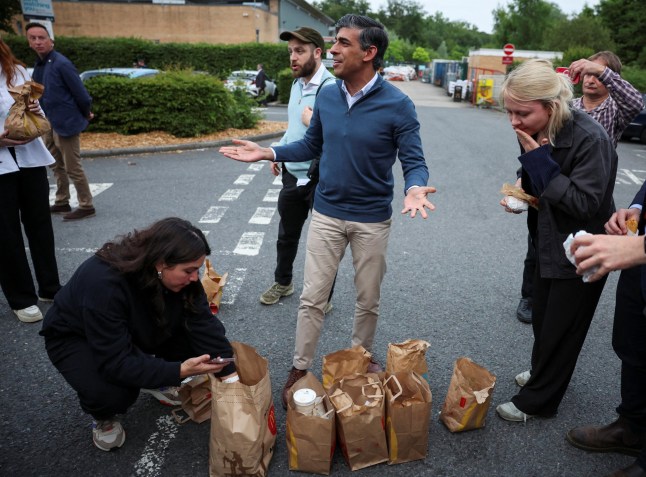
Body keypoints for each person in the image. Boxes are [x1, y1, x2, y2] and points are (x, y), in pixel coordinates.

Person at [220, 14, 436, 409]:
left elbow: (413, 159)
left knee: (367, 298)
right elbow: (310, 144)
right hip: (327, 212)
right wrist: (268, 151)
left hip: (372, 219)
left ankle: (359, 358)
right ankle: (300, 367)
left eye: (342, 44)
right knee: (311, 298)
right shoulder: (329, 95)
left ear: (369, 53)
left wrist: (416, 187)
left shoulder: (398, 104)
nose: (332, 50)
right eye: (333, 43)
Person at [40, 217, 237, 451]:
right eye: (189, 271)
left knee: (198, 346)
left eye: (197, 269)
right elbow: (115, 361)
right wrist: (178, 371)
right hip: (77, 337)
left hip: (128, 328)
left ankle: (153, 378)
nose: (196, 278)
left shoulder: (181, 277)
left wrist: (230, 375)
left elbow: (203, 323)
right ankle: (103, 416)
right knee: (114, 394)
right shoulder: (104, 284)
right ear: (161, 263)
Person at [496, 59, 618, 422]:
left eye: (522, 113)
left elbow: (584, 203)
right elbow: (535, 173)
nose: (514, 122)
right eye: (509, 112)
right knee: (544, 318)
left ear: (550, 107)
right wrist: (522, 188)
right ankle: (541, 375)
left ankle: (539, 402)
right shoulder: (540, 124)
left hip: (583, 246)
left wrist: (539, 162)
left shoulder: (591, 138)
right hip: (547, 238)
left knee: (563, 329)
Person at [514, 51, 643, 324]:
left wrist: (599, 68)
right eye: (587, 74)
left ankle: (565, 315)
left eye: (598, 75)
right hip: (550, 184)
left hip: (586, 186)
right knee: (537, 246)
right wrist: (521, 177)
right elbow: (539, 147)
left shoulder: (615, 111)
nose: (591, 80)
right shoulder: (567, 106)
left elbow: (635, 99)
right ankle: (531, 296)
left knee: (573, 255)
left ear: (610, 79)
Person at [566, 182, 646, 477]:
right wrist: (638, 208)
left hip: (640, 249)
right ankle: (631, 427)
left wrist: (640, 247)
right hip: (639, 256)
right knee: (632, 339)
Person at [259, 27, 336, 308]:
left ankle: (322, 298)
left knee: (325, 244)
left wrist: (312, 121)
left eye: (300, 51)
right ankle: (284, 282)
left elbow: (342, 136)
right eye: (291, 51)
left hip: (322, 178)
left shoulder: (333, 89)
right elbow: (293, 128)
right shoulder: (296, 84)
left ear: (318, 53)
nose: (293, 57)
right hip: (293, 173)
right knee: (286, 235)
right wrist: (279, 151)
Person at [0, 37, 61, 323]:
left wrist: (36, 110)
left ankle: (50, 287)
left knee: (40, 224)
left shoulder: (18, 71)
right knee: (6, 233)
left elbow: (38, 111)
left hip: (29, 157)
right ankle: (21, 297)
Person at [26, 22, 96, 221]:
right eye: (33, 38)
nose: (38, 42)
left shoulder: (61, 63)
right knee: (55, 164)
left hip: (66, 123)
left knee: (73, 166)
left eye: (42, 38)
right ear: (29, 42)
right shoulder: (40, 66)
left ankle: (86, 204)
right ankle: (62, 200)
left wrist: (85, 113)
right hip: (49, 122)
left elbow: (81, 94)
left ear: (51, 41)